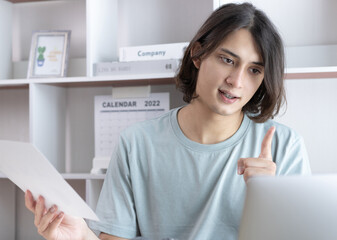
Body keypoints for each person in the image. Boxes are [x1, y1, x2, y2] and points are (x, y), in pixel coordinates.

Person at [25, 2, 311, 240]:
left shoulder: (284, 148)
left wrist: (270, 201)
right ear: (198, 54)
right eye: (227, 59)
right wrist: (80, 236)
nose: (236, 81)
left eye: (254, 70)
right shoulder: (136, 143)